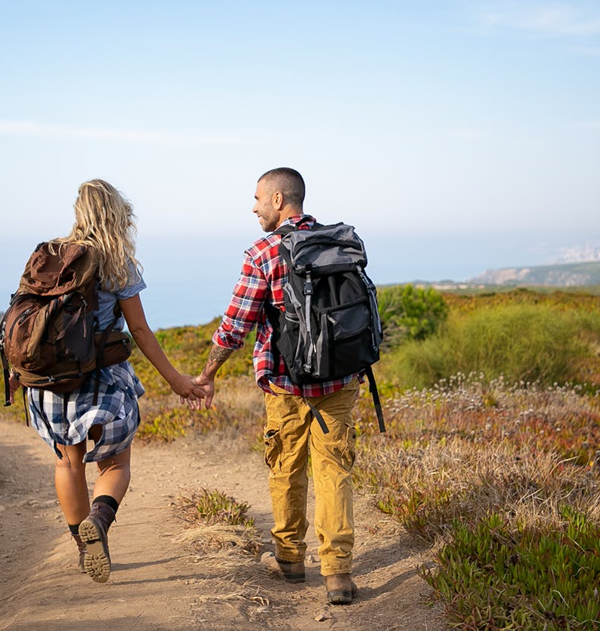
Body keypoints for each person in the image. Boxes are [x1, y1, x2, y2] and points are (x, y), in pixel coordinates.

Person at [24, 179, 208, 583]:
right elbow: (139, 331)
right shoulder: (117, 263)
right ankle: (100, 523)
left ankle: (82, 545)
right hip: (101, 379)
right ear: (117, 214)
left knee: (67, 461)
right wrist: (177, 380)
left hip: (48, 379)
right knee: (115, 463)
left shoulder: (49, 255)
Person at [193, 168, 362, 605]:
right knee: (334, 471)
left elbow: (235, 326)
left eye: (257, 199)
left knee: (286, 466)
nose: (253, 207)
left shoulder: (264, 252)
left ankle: (289, 559)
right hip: (340, 380)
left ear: (279, 199)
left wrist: (207, 374)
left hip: (287, 383)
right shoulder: (341, 242)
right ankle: (338, 574)